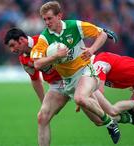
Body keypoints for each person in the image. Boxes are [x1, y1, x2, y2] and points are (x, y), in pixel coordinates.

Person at [30, 1, 122, 144]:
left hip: (86, 71)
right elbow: (36, 63)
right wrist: (55, 56)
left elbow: (102, 34)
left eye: (49, 18)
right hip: (67, 80)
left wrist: (91, 50)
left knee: (80, 98)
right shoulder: (44, 38)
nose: (47, 22)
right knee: (43, 117)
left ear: (59, 16)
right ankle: (121, 118)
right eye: (44, 19)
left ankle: (111, 123)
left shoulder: (75, 26)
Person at [4, 28, 70, 146]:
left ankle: (113, 116)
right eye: (10, 47)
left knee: (99, 119)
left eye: (13, 45)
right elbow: (35, 80)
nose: (12, 50)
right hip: (57, 85)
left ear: (21, 40)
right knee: (42, 117)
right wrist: (44, 102)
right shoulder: (23, 58)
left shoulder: (42, 40)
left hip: (74, 77)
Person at [92, 52, 134, 122]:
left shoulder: (98, 64)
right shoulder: (96, 66)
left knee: (113, 112)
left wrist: (90, 103)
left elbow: (99, 92)